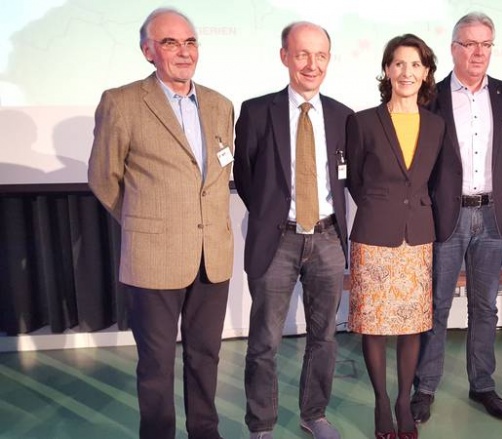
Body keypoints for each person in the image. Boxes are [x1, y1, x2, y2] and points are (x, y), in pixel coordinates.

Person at [87, 8, 235, 439]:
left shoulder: (220, 104)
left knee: (206, 356)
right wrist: (143, 222)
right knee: (155, 363)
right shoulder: (123, 102)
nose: (183, 52)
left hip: (213, 256)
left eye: (190, 42)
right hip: (153, 257)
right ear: (148, 51)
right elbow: (103, 178)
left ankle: (205, 432)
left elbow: (218, 173)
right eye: (170, 43)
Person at [233, 21, 353, 439]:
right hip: (277, 240)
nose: (311, 64)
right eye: (302, 54)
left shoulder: (342, 116)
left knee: (324, 337)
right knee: (264, 342)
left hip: (327, 238)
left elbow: (347, 177)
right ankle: (261, 424)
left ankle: (313, 414)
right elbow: (247, 178)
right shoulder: (255, 110)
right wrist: (273, 217)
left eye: (320, 55)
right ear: (284, 56)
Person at [412, 11, 502, 423]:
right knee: (437, 306)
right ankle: (424, 388)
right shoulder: (432, 97)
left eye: (486, 44)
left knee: (486, 307)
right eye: (470, 44)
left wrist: (494, 190)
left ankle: (483, 385)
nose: (478, 52)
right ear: (454, 49)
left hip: (492, 217)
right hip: (447, 217)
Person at [347, 34, 444, 439]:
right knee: (374, 325)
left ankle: (404, 400)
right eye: (399, 64)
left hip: (418, 236)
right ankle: (381, 402)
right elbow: (353, 178)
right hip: (374, 234)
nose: (407, 72)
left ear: (426, 73)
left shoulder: (437, 125)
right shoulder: (363, 121)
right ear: (387, 70)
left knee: (411, 325)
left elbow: (433, 180)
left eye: (415, 65)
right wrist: (381, 206)